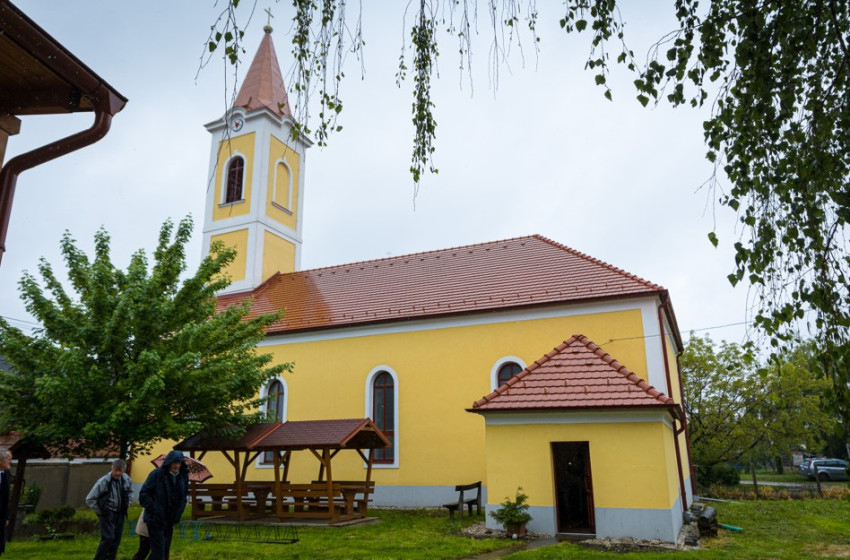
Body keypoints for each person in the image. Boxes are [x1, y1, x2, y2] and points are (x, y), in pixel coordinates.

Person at [139, 450, 188, 560]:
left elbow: (183, 497)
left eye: (179, 463)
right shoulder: (157, 474)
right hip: (154, 519)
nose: (176, 465)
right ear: (169, 462)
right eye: (174, 463)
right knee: (159, 552)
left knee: (164, 552)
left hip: (170, 520)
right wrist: (154, 509)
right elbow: (144, 494)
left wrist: (178, 514)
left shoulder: (183, 477)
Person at [86, 459, 133, 560]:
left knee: (116, 539)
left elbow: (130, 493)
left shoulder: (126, 479)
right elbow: (90, 499)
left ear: (124, 470)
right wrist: (100, 512)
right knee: (108, 538)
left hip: (120, 513)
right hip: (107, 512)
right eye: (116, 470)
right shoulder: (103, 481)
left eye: (120, 471)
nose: (118, 473)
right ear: (112, 468)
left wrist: (127, 504)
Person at [0, 450, 12, 557]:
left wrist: (6, 516)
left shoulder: (6, 473)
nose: (9, 461)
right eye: (7, 459)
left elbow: (6, 497)